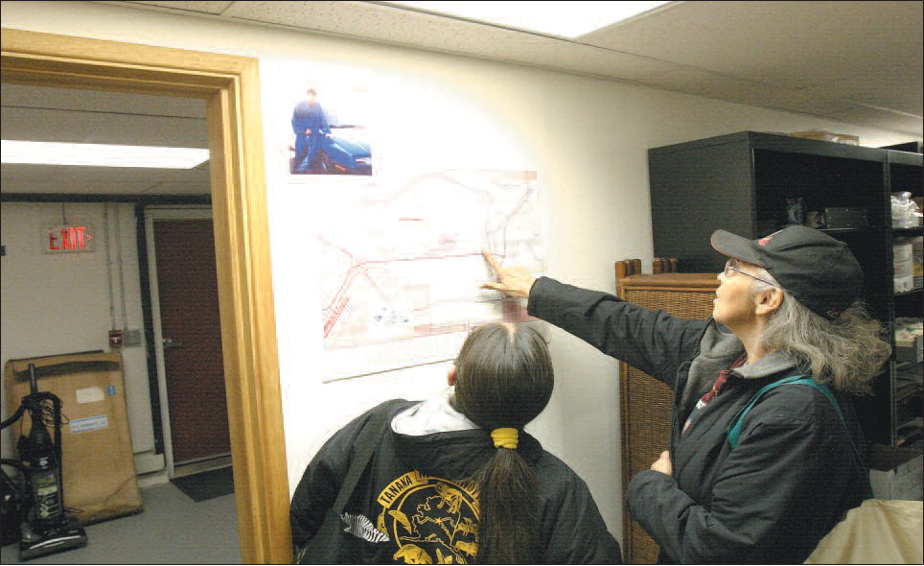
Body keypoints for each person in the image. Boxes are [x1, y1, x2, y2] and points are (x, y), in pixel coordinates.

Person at [481, 225, 891, 564]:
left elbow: (721, 551)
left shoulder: (795, 414)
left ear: (767, 299)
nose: (720, 277)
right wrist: (536, 290)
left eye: (733, 268)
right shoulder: (722, 353)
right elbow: (625, 324)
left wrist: (649, 487)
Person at [290, 322, 623, 565]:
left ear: (453, 378)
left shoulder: (378, 427)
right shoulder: (558, 487)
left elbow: (307, 512)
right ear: (537, 404)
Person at [291, 88, 330, 174]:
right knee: (300, 153)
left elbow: (322, 119)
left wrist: (327, 132)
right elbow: (294, 120)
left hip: (314, 134)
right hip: (302, 135)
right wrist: (303, 130)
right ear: (307, 96)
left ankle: (306, 171)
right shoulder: (299, 106)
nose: (312, 98)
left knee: (312, 154)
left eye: (314, 96)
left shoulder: (317, 106)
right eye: (310, 96)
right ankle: (297, 171)